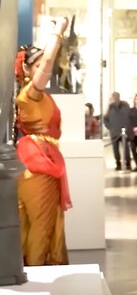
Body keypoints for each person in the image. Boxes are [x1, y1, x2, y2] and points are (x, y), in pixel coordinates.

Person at [14, 17, 72, 265]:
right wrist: (57, 33)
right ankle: (38, 271)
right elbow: (49, 61)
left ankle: (40, 268)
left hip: (43, 158)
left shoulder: (36, 96)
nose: (43, 70)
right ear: (26, 71)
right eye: (36, 66)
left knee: (43, 220)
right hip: (38, 162)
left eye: (42, 66)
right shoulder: (29, 95)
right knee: (42, 222)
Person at [104, 92, 131, 171]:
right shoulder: (110, 107)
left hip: (123, 132)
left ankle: (128, 163)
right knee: (115, 149)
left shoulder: (125, 105)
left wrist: (127, 127)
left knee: (126, 148)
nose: (115, 98)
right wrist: (110, 127)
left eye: (116, 96)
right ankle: (118, 164)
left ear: (119, 96)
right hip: (114, 132)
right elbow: (105, 119)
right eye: (114, 97)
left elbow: (129, 116)